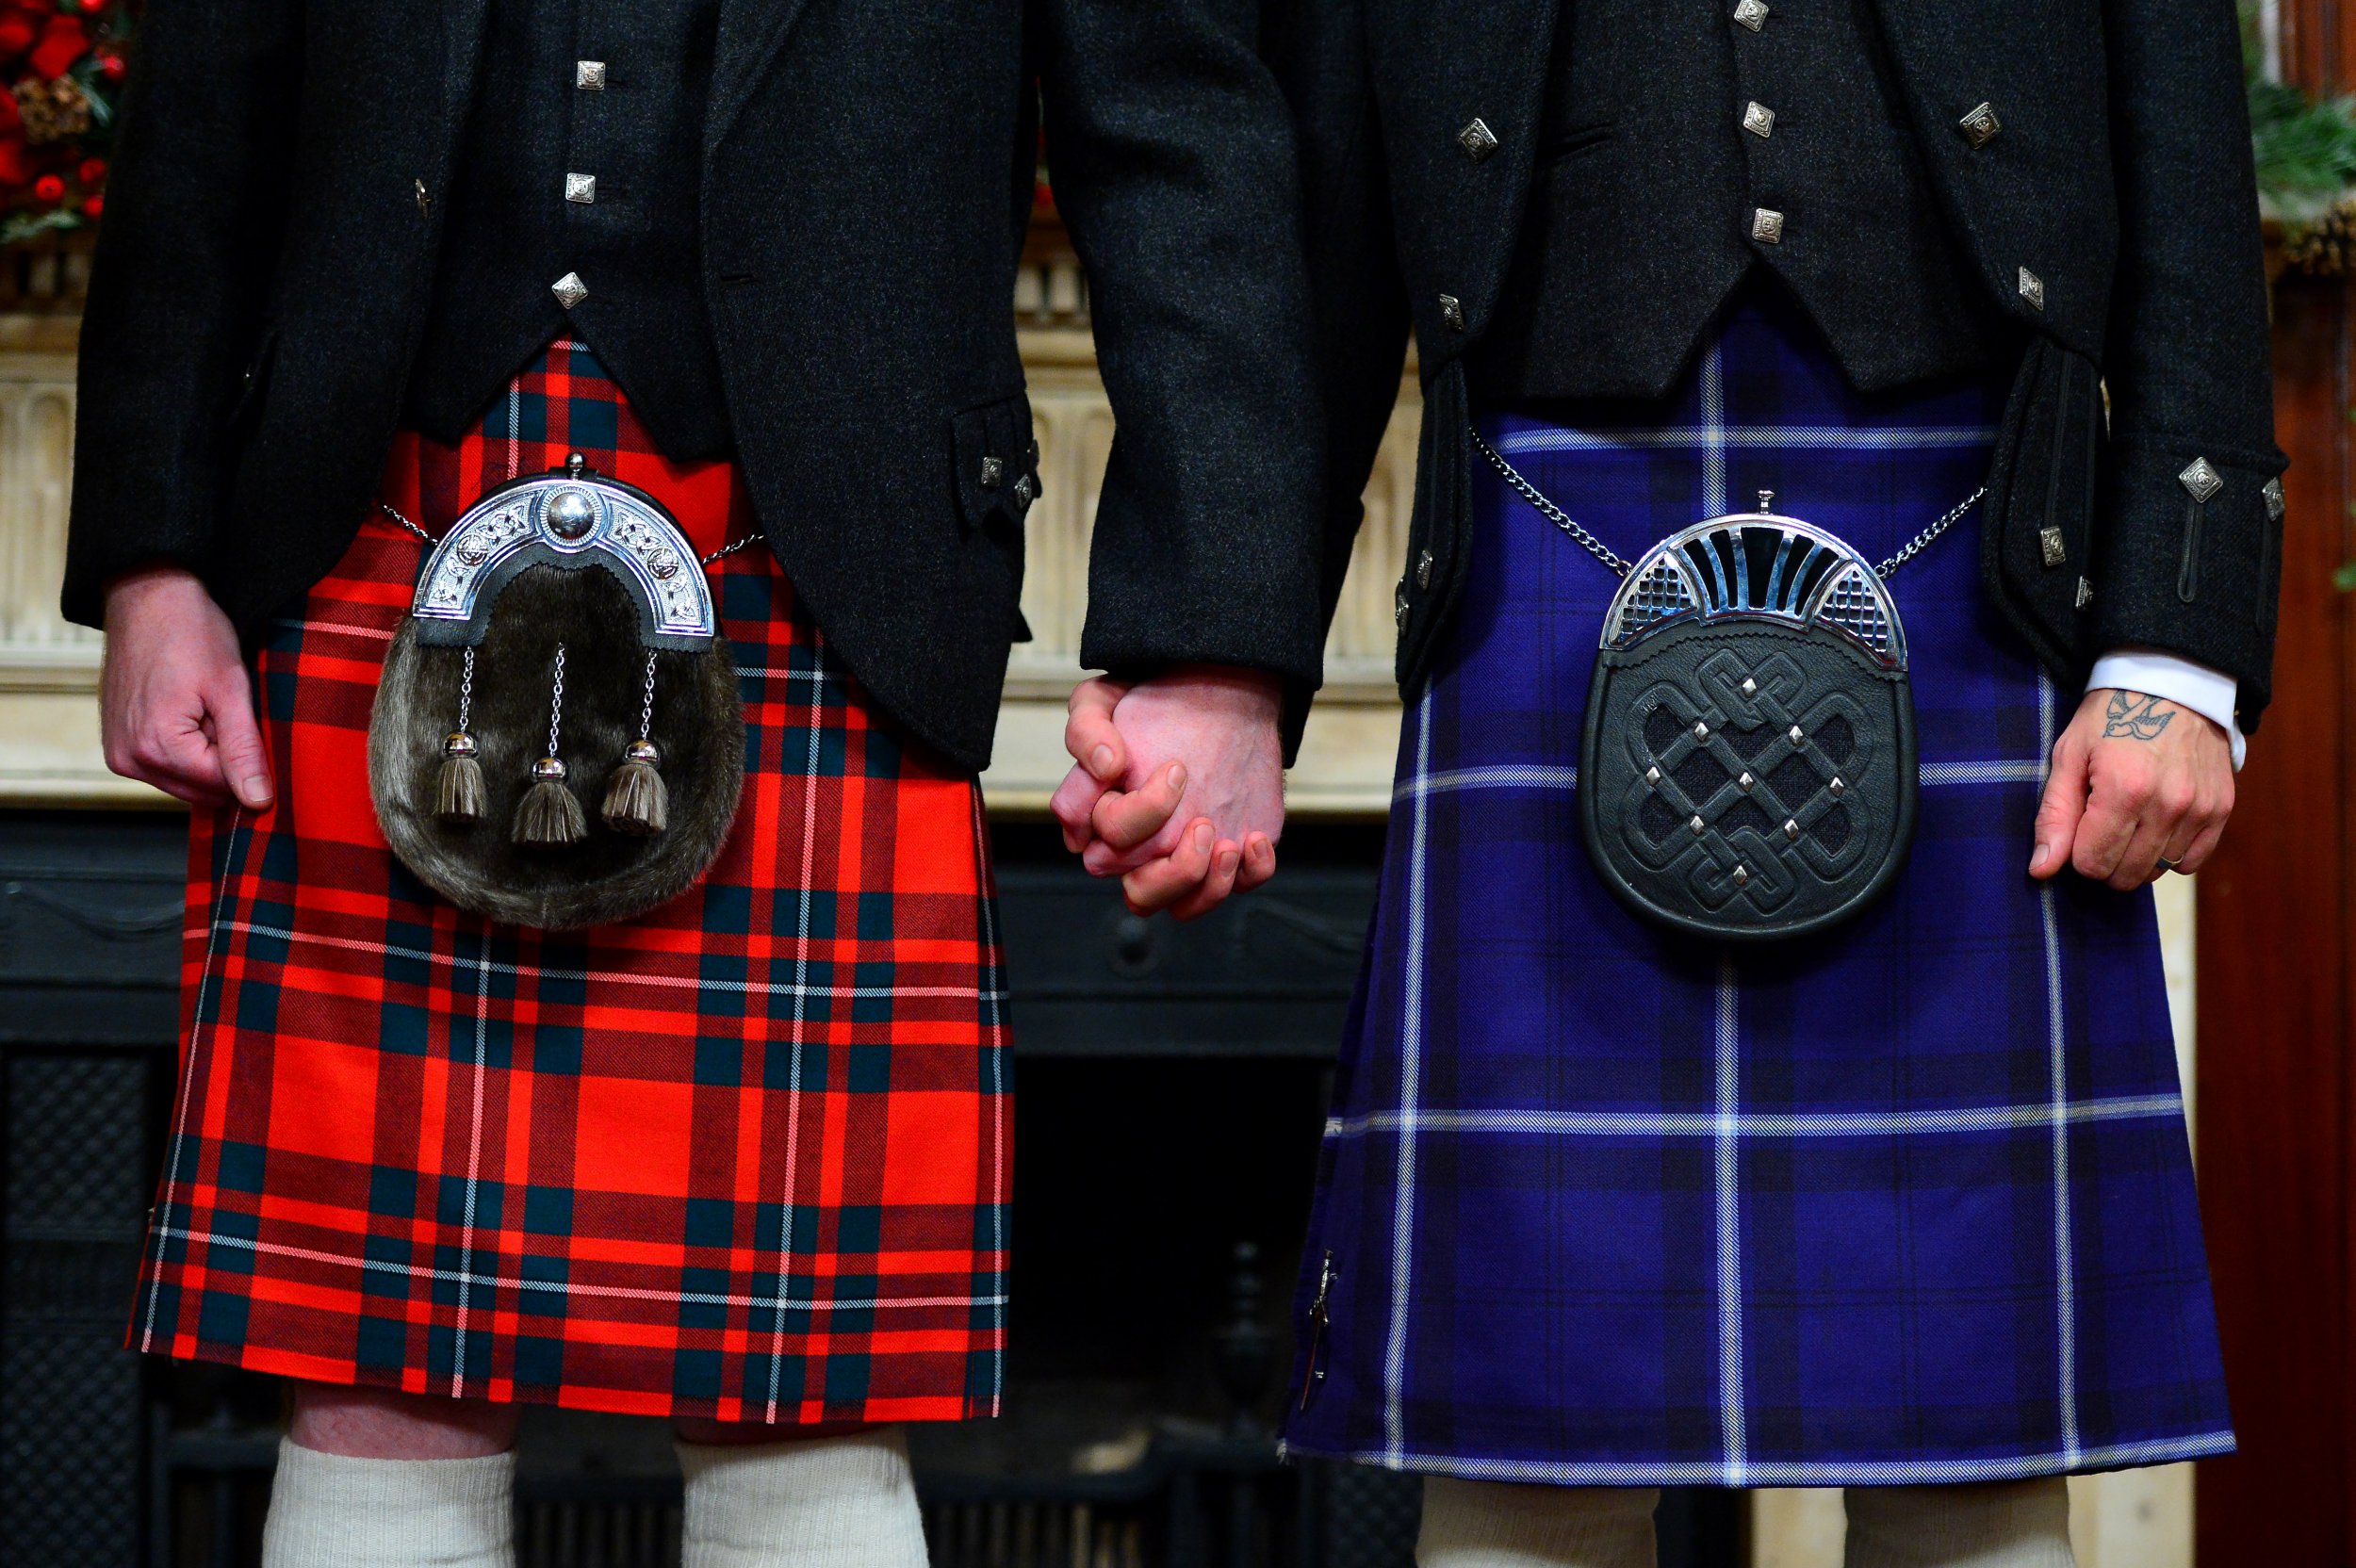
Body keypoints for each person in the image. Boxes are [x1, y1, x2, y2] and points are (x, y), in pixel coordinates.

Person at [67, 1, 1323, 1563]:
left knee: (802, 1382)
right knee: (370, 1368)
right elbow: (208, 85)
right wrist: (150, 552)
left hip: (823, 559)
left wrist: (1218, 643)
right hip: (374, 520)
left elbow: (1178, 136)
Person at [1059, 0, 2282, 1563]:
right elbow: (1320, 188)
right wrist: (1224, 647)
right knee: (1519, 1437)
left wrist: (2176, 644)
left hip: (1981, 550)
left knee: (1973, 1442)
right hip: (1535, 537)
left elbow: (2180, 135)